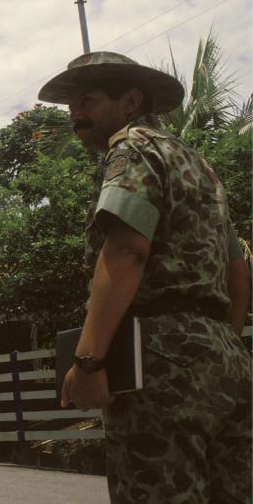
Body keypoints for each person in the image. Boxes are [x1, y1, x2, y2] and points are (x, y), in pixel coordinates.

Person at [39, 51, 251, 503]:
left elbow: (126, 252)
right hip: (226, 362)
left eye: (89, 100)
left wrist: (90, 361)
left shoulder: (133, 149)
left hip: (158, 361)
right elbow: (236, 269)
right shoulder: (202, 169)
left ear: (131, 101)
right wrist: (223, 347)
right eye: (73, 104)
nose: (76, 112)